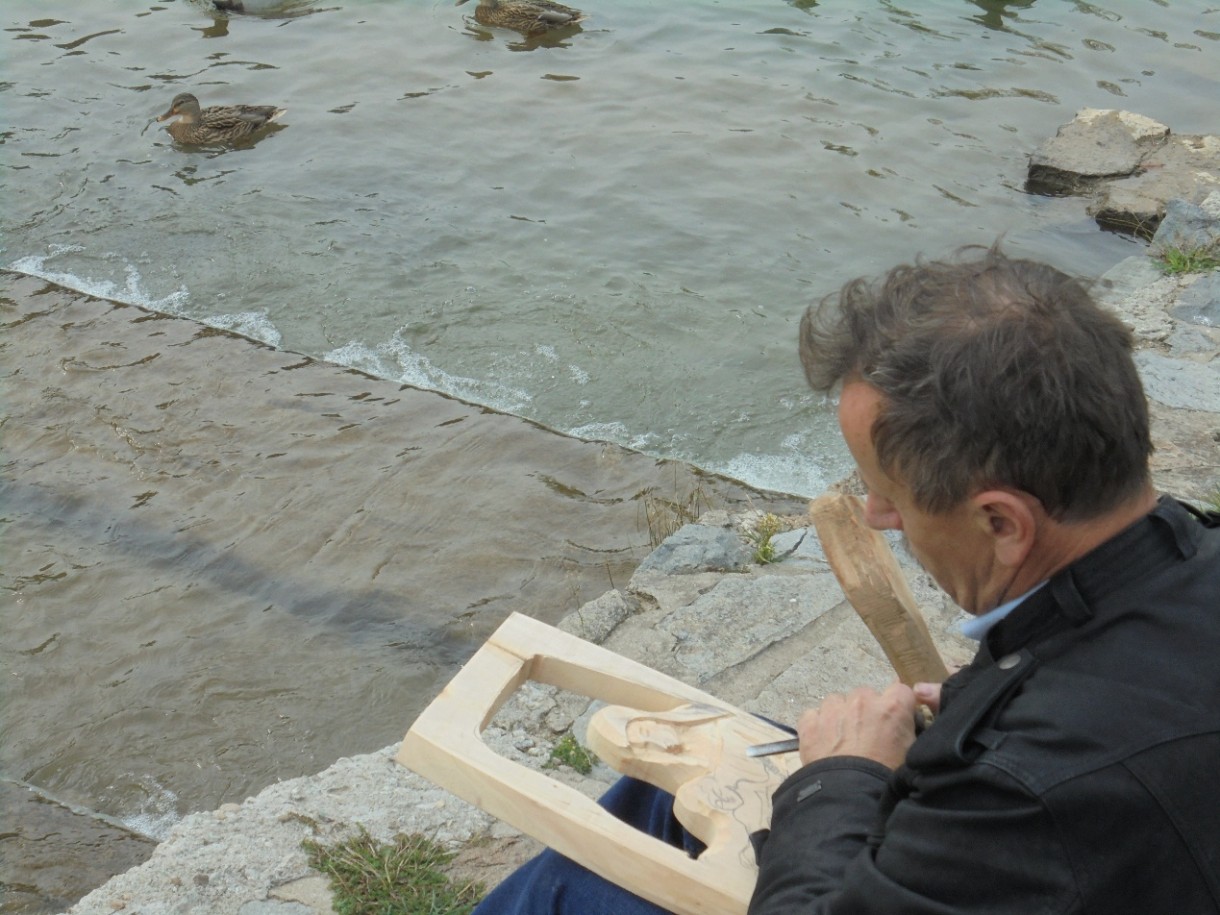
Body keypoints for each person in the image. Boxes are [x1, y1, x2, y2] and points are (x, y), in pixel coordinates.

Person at [472, 245, 1220, 914]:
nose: (876, 513)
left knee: (577, 889)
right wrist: (993, 695)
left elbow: (1044, 793)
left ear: (1003, 524)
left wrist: (842, 776)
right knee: (659, 791)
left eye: (889, 494)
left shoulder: (1020, 793)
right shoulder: (1184, 562)